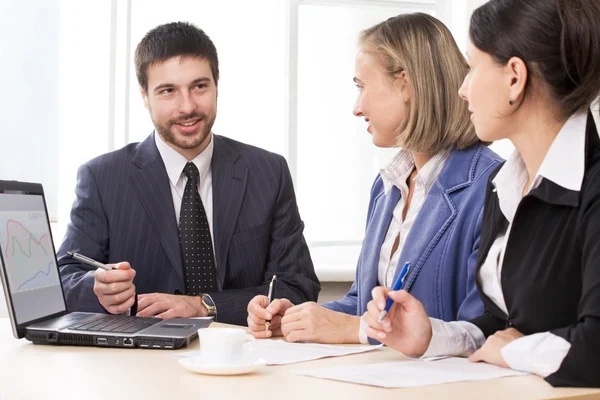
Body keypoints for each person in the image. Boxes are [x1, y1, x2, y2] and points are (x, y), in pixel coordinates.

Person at [363, 0, 600, 388]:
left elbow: (592, 347)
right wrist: (431, 335)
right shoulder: (506, 185)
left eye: (472, 68)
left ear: (514, 78)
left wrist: (514, 351)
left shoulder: (591, 185)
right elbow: (501, 324)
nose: (462, 89)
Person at [246, 13, 502, 344]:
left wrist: (355, 330)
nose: (356, 107)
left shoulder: (492, 186)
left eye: (362, 86)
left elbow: (486, 329)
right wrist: (299, 318)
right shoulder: (387, 188)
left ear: (405, 85)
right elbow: (363, 308)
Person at [56, 22, 320, 326]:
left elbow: (298, 287)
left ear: (217, 83)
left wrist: (203, 305)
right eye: (168, 91)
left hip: (245, 356)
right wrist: (97, 288)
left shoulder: (268, 172)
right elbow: (63, 280)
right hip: (140, 362)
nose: (188, 107)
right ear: (144, 95)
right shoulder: (102, 178)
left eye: (199, 86)